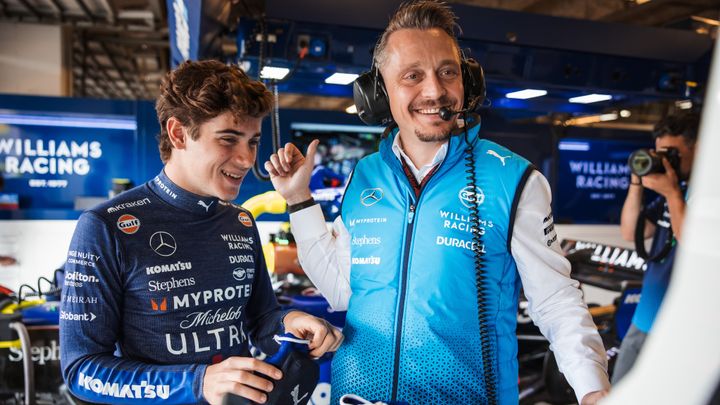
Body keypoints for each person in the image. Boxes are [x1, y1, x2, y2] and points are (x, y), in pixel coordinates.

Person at [265, 1, 609, 404]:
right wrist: (299, 201)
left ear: (468, 82)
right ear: (379, 92)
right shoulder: (366, 176)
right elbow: (344, 291)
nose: (434, 90)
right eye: (413, 76)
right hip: (357, 395)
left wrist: (592, 390)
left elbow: (555, 299)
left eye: (448, 72)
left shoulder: (513, 179)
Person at [60, 60, 343, 405]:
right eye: (228, 139)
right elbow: (81, 371)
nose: (245, 159)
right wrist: (197, 382)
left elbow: (261, 320)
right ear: (178, 133)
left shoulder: (239, 221)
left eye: (252, 142)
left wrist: (293, 321)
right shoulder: (104, 226)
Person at [613, 112, 698, 384]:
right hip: (645, 318)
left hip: (682, 329)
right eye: (660, 153)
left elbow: (693, 243)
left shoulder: (706, 195)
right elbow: (630, 231)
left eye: (672, 153)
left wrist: (672, 193)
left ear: (698, 149)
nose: (665, 159)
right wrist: (637, 182)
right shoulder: (674, 192)